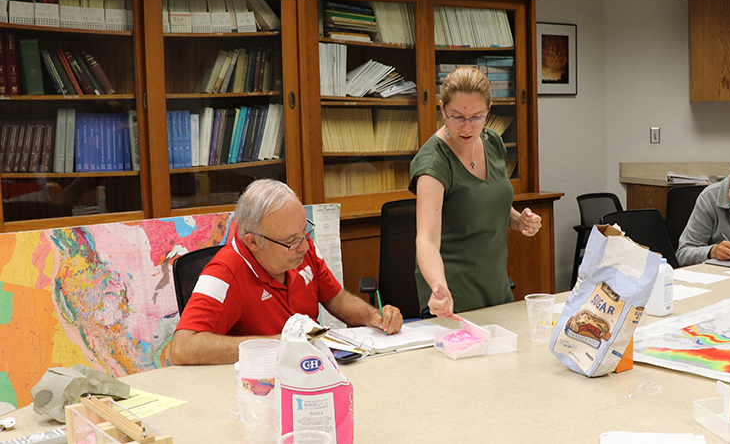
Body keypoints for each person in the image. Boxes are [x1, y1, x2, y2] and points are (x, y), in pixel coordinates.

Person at [170, 179, 402, 365]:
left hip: (310, 370)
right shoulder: (224, 272)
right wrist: (281, 343)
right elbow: (183, 348)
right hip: (259, 384)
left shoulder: (302, 248)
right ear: (253, 242)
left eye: (304, 232)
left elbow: (337, 298)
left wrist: (373, 317)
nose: (305, 245)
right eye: (291, 241)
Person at [409, 67, 542, 319]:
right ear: (442, 110)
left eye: (477, 117)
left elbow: (486, 201)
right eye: (457, 117)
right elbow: (426, 239)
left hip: (496, 290)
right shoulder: (433, 163)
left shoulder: (492, 142)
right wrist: (439, 288)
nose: (467, 127)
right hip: (454, 299)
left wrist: (518, 220)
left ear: (488, 110)